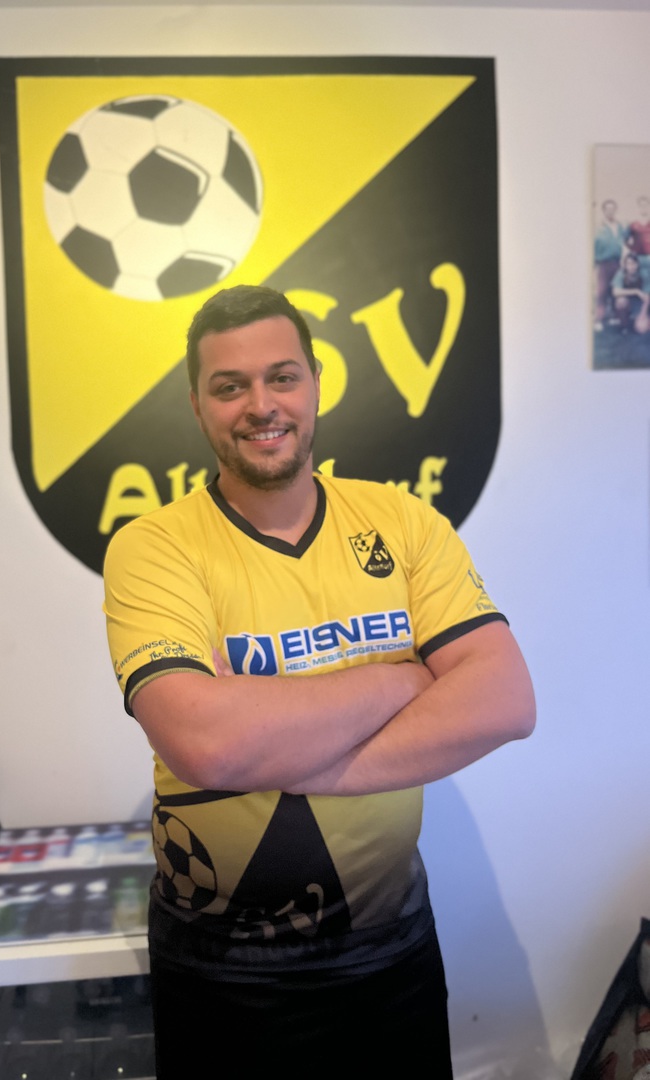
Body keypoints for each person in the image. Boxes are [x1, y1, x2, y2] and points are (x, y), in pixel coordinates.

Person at [103, 285, 536, 1079]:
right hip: (223, 969)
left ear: (315, 385)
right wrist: (401, 680)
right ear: (197, 405)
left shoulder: (403, 522)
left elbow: (505, 701)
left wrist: (287, 754)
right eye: (229, 386)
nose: (260, 404)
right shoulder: (154, 546)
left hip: (391, 952)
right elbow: (206, 744)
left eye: (282, 377)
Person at [593, 199, 626, 330]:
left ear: (615, 210)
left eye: (613, 209)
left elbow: (623, 242)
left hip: (617, 263)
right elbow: (593, 246)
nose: (610, 211)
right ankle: (598, 320)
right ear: (604, 211)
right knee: (602, 292)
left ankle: (613, 317)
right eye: (608, 209)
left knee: (614, 291)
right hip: (603, 263)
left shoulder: (619, 226)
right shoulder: (598, 227)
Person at [611, 252, 650, 334]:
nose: (632, 266)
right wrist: (636, 291)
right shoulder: (621, 274)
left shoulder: (643, 274)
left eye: (634, 263)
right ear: (625, 265)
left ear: (637, 264)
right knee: (621, 301)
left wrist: (642, 315)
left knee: (642, 329)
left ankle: (639, 320)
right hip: (628, 303)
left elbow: (647, 297)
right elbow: (615, 292)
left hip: (640, 304)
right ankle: (625, 325)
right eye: (629, 264)